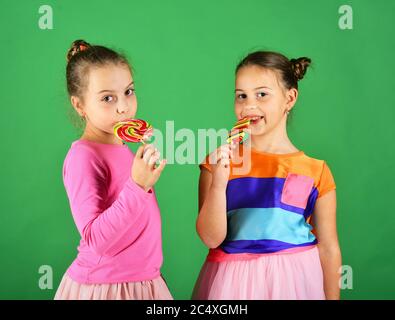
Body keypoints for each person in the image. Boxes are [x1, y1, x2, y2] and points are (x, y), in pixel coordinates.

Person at [193, 51, 341, 300]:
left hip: (295, 281)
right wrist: (219, 182)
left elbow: (328, 248)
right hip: (232, 285)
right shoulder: (218, 164)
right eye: (241, 96)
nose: (249, 105)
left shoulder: (316, 171)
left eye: (262, 94)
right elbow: (210, 238)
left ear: (289, 98)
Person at [54, 40, 172, 300]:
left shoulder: (124, 149)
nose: (123, 107)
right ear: (79, 105)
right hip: (104, 287)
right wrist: (138, 185)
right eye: (108, 98)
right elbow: (96, 240)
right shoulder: (83, 156)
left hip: (144, 282)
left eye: (128, 92)